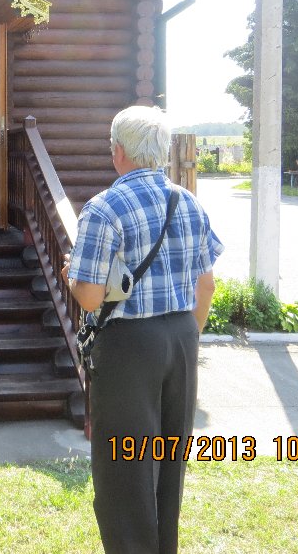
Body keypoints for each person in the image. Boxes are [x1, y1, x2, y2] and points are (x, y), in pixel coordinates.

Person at [63, 105, 223, 554]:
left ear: (119, 151)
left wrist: (71, 276)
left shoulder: (104, 208)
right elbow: (206, 285)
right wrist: (186, 336)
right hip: (182, 336)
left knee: (124, 466)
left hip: (129, 345)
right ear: (162, 151)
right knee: (170, 460)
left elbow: (90, 298)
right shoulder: (188, 201)